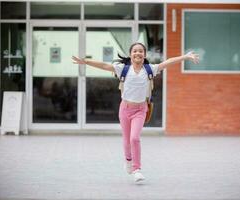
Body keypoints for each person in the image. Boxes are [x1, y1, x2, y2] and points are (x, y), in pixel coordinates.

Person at [72, 42, 199, 182]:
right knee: (126, 140)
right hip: (125, 109)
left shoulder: (150, 69)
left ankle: (137, 169)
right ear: (130, 54)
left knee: (134, 138)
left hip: (140, 109)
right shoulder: (123, 69)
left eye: (140, 51)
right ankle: (128, 160)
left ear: (144, 55)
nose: (138, 53)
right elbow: (103, 65)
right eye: (135, 51)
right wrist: (84, 61)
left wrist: (185, 57)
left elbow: (167, 62)